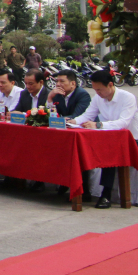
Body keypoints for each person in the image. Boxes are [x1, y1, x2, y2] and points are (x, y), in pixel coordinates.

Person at [71, 69, 138, 209]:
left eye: (100, 89)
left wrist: (98, 125)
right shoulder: (98, 98)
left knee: (111, 153)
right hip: (108, 137)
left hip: (131, 138)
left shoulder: (128, 97)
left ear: (110, 85)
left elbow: (123, 123)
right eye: (95, 90)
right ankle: (94, 192)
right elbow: (87, 115)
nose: (98, 93)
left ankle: (106, 194)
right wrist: (72, 122)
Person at [49, 70, 93, 200]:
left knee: (78, 155)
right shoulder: (57, 95)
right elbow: (51, 114)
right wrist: (50, 98)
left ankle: (84, 190)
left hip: (83, 133)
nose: (58, 84)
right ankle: (63, 182)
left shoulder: (82, 95)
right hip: (64, 132)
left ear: (73, 83)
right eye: (57, 81)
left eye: (62, 81)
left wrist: (58, 120)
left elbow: (77, 116)